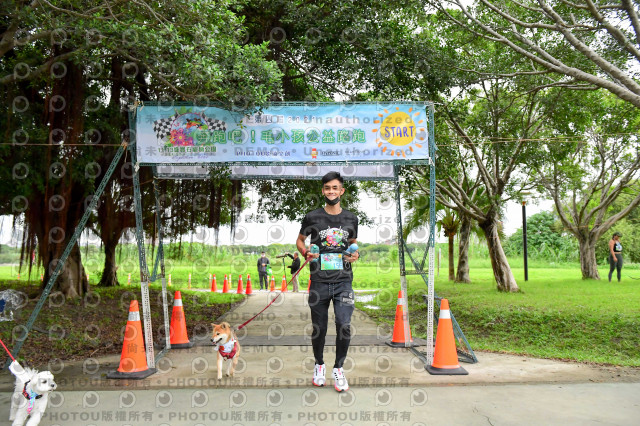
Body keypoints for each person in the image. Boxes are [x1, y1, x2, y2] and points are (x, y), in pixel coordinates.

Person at [296, 171, 359, 392]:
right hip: (319, 281)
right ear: (323, 191)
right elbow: (300, 241)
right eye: (327, 188)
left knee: (344, 325)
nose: (331, 191)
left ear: (342, 191)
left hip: (344, 281)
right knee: (319, 328)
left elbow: (353, 243)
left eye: (335, 188)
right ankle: (319, 365)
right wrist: (306, 253)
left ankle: (338, 368)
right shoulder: (312, 217)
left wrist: (355, 255)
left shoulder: (351, 218)